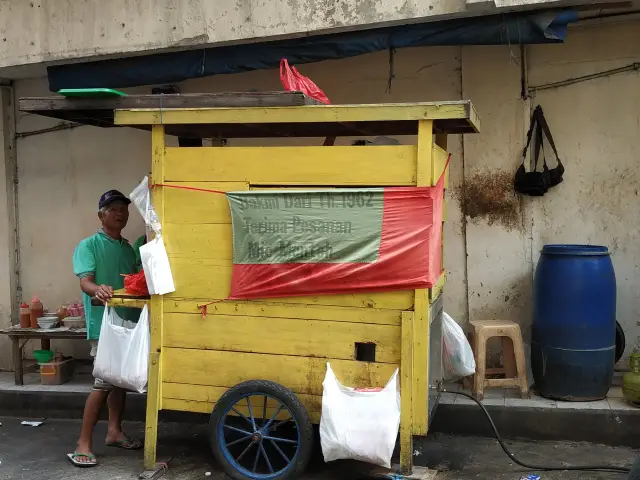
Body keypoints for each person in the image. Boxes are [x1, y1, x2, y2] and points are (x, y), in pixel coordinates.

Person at [67, 190, 143, 467]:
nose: (120, 213)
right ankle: (82, 444)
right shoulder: (88, 245)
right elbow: (85, 282)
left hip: (129, 322)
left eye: (123, 209)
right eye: (113, 209)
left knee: (119, 380)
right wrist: (97, 288)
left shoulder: (128, 248)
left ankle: (114, 431)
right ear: (101, 215)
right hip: (104, 326)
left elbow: (135, 280)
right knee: (103, 383)